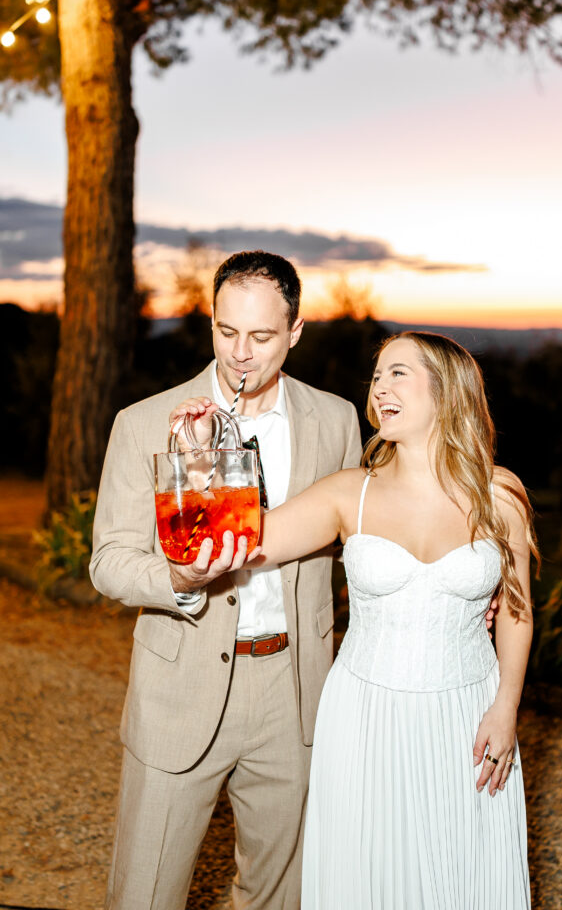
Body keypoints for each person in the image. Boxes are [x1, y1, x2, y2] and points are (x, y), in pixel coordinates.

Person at [195, 330, 536, 909]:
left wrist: (505, 709)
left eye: (398, 373)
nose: (380, 387)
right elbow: (246, 540)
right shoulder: (347, 494)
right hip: (365, 715)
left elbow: (518, 613)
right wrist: (209, 455)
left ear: (447, 390)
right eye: (377, 376)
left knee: (464, 868)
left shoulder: (499, 497)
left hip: (466, 713)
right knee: (373, 871)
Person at [89, 251, 362, 910]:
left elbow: (358, 548)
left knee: (279, 894)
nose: (241, 353)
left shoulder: (336, 421)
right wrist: (179, 575)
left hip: (293, 690)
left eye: (262, 336)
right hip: (179, 685)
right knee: (145, 893)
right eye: (226, 330)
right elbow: (109, 561)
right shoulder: (142, 423)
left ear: (295, 332)